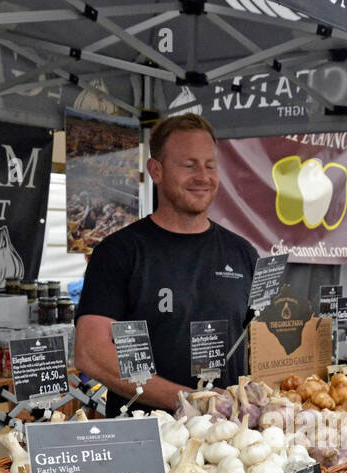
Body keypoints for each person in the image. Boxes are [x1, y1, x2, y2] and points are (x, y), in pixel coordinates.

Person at [74, 115, 258, 417]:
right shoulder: (119, 252)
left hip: (231, 447)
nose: (203, 176)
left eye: (210, 166)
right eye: (189, 165)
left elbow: (258, 341)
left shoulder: (242, 253)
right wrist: (188, 401)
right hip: (145, 441)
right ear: (156, 170)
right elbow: (90, 352)